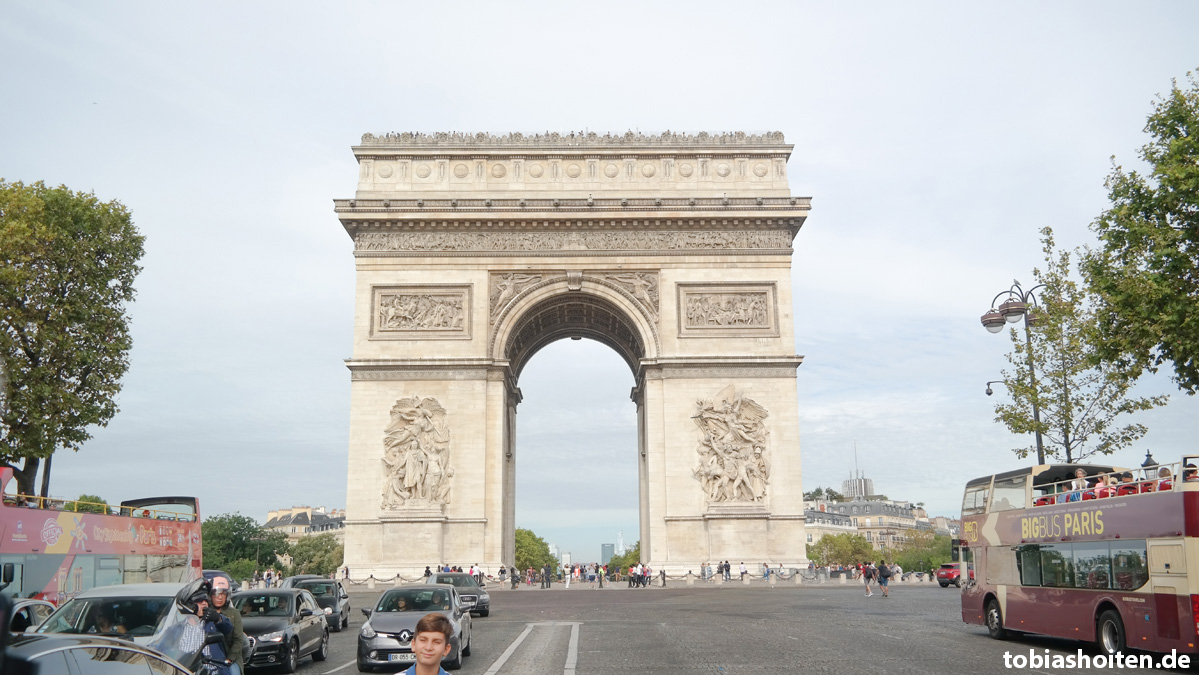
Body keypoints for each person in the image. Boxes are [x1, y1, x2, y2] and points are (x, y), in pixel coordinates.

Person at [211, 577, 245, 675]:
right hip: (211, 658)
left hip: (230, 658)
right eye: (216, 593)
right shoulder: (206, 613)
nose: (220, 597)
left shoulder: (234, 613)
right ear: (210, 595)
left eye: (223, 594)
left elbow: (238, 640)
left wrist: (230, 658)